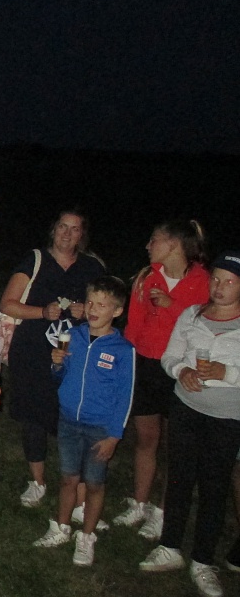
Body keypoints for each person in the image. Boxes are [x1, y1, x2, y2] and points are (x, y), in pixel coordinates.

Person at [140, 251, 240, 597]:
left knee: (214, 487)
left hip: (226, 418)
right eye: (216, 279)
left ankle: (203, 560)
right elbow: (171, 355)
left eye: (230, 282)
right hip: (186, 408)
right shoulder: (191, 315)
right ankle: (170, 546)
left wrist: (227, 373)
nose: (220, 287)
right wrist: (181, 371)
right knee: (178, 479)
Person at [0, 210, 106, 508]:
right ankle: (37, 481)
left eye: (75, 229)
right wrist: (42, 312)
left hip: (75, 355)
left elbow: (108, 308)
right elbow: (8, 303)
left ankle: (77, 487)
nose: (67, 234)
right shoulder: (35, 260)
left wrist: (87, 311)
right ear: (53, 229)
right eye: (62, 226)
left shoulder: (92, 266)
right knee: (34, 416)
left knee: (74, 416)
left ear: (82, 235)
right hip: (33, 352)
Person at [116, 220, 209, 541]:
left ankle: (163, 512)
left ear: (173, 245)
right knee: (146, 439)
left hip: (180, 369)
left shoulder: (202, 282)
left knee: (176, 446)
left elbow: (203, 327)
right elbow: (133, 326)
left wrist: (172, 306)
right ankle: (139, 503)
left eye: (154, 240)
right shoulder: (147, 277)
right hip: (145, 366)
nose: (148, 245)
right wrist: (125, 364)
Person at [32, 276, 134, 566]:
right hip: (69, 420)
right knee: (68, 478)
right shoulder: (73, 336)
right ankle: (61, 527)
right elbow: (60, 376)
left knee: (94, 483)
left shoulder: (122, 350)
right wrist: (57, 364)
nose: (93, 309)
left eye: (102, 305)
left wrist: (114, 436)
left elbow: (125, 397)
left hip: (100, 427)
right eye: (90, 302)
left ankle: (87, 536)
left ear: (117, 311)